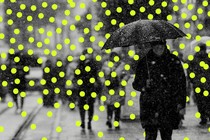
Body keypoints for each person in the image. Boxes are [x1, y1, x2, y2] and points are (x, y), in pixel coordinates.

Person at [132, 40, 186, 140]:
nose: (158, 49)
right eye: (156, 46)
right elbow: (136, 84)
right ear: (152, 47)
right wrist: (144, 84)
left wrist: (181, 104)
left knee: (166, 135)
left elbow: (181, 84)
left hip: (168, 105)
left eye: (161, 46)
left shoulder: (173, 61)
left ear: (165, 46)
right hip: (149, 105)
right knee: (150, 135)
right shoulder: (144, 62)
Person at [74, 48, 101, 130]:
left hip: (91, 88)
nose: (88, 55)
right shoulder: (80, 64)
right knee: (81, 105)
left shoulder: (93, 64)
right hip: (82, 87)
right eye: (87, 54)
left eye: (90, 54)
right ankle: (82, 121)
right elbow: (76, 74)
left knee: (90, 105)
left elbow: (96, 76)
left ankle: (89, 121)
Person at [102, 52, 130, 130]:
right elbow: (101, 74)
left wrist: (123, 81)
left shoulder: (122, 65)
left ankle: (116, 121)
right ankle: (109, 119)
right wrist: (104, 81)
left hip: (118, 88)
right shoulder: (106, 64)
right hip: (108, 89)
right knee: (109, 105)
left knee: (117, 106)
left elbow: (127, 75)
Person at [187, 42, 210, 125]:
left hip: (205, 85)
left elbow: (190, 71)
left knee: (205, 101)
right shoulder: (194, 59)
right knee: (201, 102)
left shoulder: (197, 59)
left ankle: (205, 116)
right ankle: (203, 117)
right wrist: (193, 80)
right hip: (200, 85)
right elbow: (190, 71)